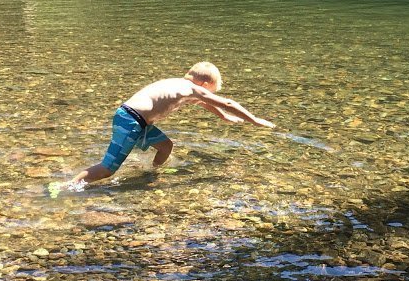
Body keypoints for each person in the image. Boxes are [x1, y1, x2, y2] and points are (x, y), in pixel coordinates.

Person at [57, 62, 275, 189]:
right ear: (204, 84)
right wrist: (254, 120)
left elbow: (203, 102)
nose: (208, 95)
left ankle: (149, 173)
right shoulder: (190, 88)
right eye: (210, 91)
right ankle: (66, 187)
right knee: (107, 169)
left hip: (136, 119)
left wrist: (223, 117)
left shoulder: (180, 85)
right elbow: (226, 102)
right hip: (131, 120)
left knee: (165, 146)